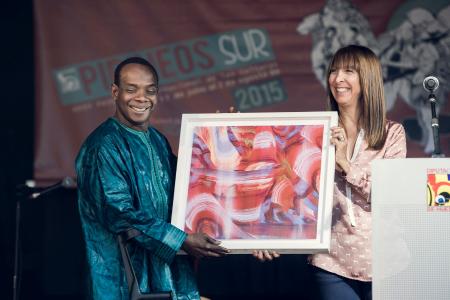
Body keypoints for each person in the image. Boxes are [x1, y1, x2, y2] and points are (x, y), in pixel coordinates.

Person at [254, 45, 407, 300]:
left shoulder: (392, 134)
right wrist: (268, 235)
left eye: (349, 71)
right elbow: (293, 193)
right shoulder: (316, 132)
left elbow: (390, 196)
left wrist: (345, 163)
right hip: (331, 261)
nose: (338, 78)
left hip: (387, 260)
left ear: (367, 78)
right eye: (334, 71)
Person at [75, 57, 229, 300]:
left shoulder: (157, 140)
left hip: (167, 277)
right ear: (115, 92)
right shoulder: (102, 146)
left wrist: (222, 134)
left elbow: (192, 183)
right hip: (123, 281)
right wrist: (181, 240)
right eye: (131, 89)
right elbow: (119, 213)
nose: (141, 97)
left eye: (150, 90)